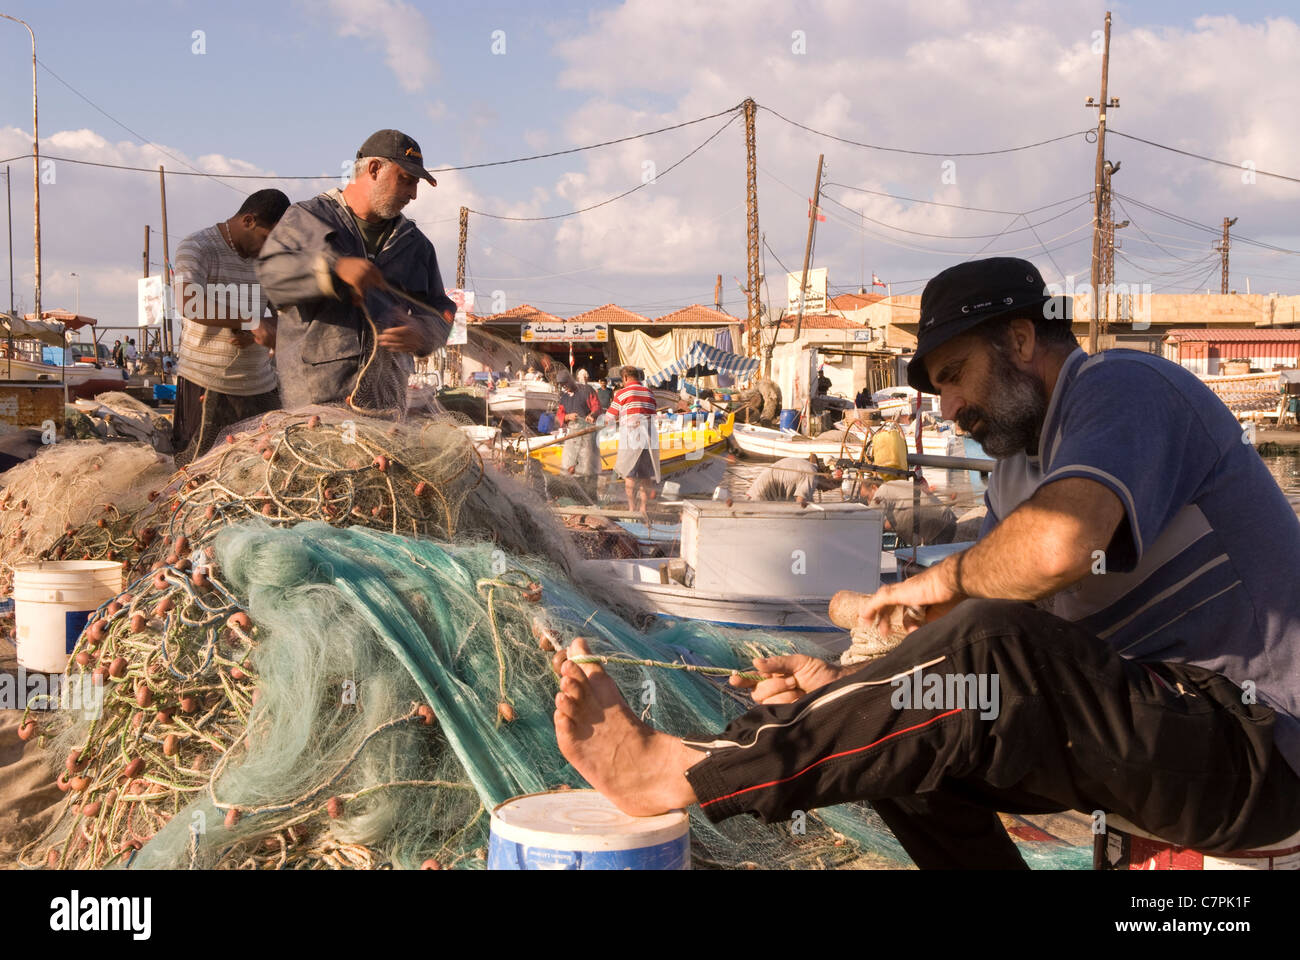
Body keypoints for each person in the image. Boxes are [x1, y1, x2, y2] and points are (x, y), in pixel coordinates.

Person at [550, 256, 1300, 869]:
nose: (947, 408)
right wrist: (849, 686)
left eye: (954, 374)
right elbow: (996, 645)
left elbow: (1059, 551)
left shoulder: (1123, 387)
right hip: (1157, 736)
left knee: (987, 649)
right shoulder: (1018, 472)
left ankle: (685, 771)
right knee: (903, 735)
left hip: (1262, 741)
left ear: (1019, 339)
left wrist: (934, 582)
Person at [257, 129, 455, 410]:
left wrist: (424, 332)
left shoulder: (416, 246)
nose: (413, 194)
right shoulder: (307, 219)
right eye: (406, 180)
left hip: (384, 409)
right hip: (312, 409)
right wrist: (332, 271)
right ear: (374, 169)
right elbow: (271, 275)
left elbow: (442, 311)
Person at [170, 189, 291, 466]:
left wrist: (264, 328)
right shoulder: (197, 247)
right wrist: (251, 321)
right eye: (266, 238)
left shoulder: (269, 259)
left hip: (260, 389)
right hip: (206, 386)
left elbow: (285, 313)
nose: (268, 248)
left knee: (264, 472)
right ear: (248, 220)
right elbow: (189, 303)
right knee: (197, 475)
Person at [605, 365, 659, 513]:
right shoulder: (649, 393)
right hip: (648, 437)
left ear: (625, 378)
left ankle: (631, 507)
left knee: (629, 473)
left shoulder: (622, 393)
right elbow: (652, 412)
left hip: (631, 437)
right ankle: (643, 507)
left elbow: (609, 417)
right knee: (644, 475)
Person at [860, 475, 959, 546]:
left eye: (867, 497)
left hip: (937, 525)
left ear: (874, 487)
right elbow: (890, 524)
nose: (869, 503)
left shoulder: (882, 491)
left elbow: (871, 518)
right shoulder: (895, 488)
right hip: (947, 520)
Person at [556, 370, 603, 503]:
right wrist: (567, 417)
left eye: (565, 383)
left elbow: (597, 407)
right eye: (561, 384)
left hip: (587, 433)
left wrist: (592, 415)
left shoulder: (587, 390)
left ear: (571, 380)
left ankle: (590, 497)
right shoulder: (564, 397)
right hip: (572, 434)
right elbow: (560, 415)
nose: (564, 386)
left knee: (587, 466)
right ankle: (573, 496)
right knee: (568, 465)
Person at [746, 454, 835, 507]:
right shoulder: (812, 475)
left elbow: (807, 500)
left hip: (756, 491)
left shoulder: (809, 467)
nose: (827, 490)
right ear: (825, 477)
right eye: (830, 486)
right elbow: (800, 503)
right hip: (762, 496)